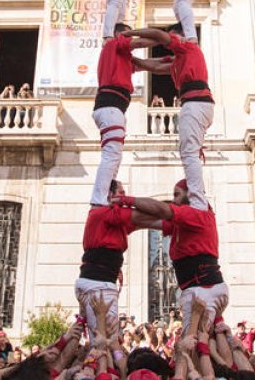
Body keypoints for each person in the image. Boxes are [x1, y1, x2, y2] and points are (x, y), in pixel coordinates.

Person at [113, 178, 228, 330]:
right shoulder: (186, 223)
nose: (173, 201)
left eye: (176, 195)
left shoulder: (195, 214)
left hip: (201, 289)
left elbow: (162, 210)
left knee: (190, 345)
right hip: (204, 287)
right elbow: (148, 222)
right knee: (210, 341)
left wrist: (125, 200)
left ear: (190, 195)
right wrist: (123, 221)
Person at [127, 27, 213, 209]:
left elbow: (159, 36)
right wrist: (133, 61)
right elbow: (157, 66)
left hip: (195, 102)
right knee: (189, 152)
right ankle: (198, 197)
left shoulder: (188, 47)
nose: (169, 43)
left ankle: (198, 201)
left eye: (173, 37)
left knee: (189, 153)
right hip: (199, 103)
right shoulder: (180, 60)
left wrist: (128, 36)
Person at [77, 179, 156, 344]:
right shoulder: (104, 213)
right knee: (102, 339)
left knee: (107, 337)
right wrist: (170, 215)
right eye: (121, 193)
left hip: (102, 282)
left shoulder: (114, 222)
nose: (124, 197)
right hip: (98, 283)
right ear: (109, 196)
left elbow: (143, 222)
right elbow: (144, 216)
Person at [90, 23, 154, 206]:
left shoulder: (123, 57)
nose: (130, 39)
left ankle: (107, 194)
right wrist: (164, 38)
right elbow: (142, 43)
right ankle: (99, 199)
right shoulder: (113, 45)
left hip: (112, 108)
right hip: (110, 106)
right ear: (118, 34)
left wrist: (173, 60)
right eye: (127, 35)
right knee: (111, 155)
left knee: (115, 155)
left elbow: (150, 65)